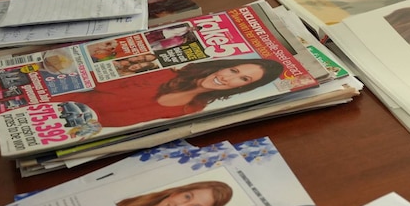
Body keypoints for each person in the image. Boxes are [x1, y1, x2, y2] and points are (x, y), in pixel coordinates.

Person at [65, 57, 283, 127]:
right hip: (53, 102)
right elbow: (87, 79)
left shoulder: (193, 109)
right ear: (222, 66)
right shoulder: (162, 73)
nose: (228, 78)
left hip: (70, 129)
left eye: (243, 79)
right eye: (233, 70)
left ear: (244, 87)